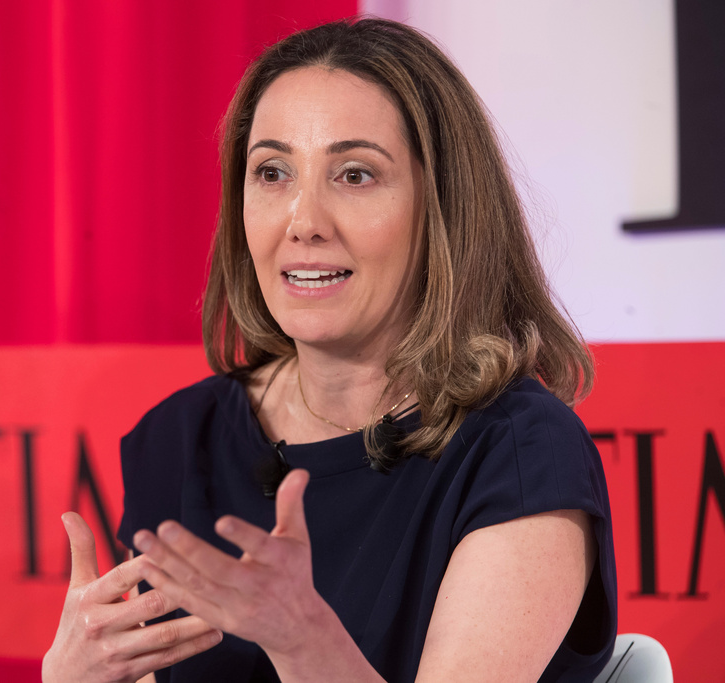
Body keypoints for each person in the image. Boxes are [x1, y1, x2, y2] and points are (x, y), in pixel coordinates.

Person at [41, 17, 616, 683]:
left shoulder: (518, 453)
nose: (304, 222)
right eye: (273, 172)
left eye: (354, 174)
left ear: (443, 208)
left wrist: (303, 640)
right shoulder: (182, 436)